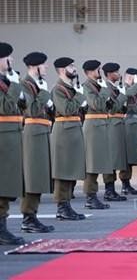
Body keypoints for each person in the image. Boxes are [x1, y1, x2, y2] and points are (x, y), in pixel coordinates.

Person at [20, 51, 55, 233]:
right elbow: (32, 110)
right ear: (35, 66)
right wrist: (43, 93)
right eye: (44, 64)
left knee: (39, 175)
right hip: (32, 133)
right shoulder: (25, 85)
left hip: (41, 132)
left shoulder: (36, 84)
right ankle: (28, 217)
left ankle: (32, 214)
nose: (46, 67)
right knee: (33, 176)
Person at [50, 57, 87, 220]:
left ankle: (66, 205)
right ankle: (61, 206)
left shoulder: (69, 87)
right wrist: (79, 97)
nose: (74, 68)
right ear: (62, 70)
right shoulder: (58, 89)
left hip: (72, 130)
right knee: (63, 170)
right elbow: (66, 109)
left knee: (69, 169)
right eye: (71, 66)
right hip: (64, 131)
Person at [0, 42, 26, 245]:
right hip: (3, 136)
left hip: (9, 135)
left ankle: (3, 227)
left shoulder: (4, 80)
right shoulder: (6, 82)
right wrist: (15, 85)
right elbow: (7, 107)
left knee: (6, 182)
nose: (12, 61)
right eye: (9, 58)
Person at [101, 62, 137, 201]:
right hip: (111, 124)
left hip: (120, 124)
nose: (119, 74)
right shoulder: (105, 88)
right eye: (116, 72)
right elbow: (113, 107)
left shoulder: (117, 87)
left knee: (122, 157)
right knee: (111, 158)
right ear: (109, 74)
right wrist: (133, 86)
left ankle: (124, 184)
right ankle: (109, 189)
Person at [81, 60, 111, 210]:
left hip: (100, 126)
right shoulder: (87, 86)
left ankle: (92, 196)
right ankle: (90, 197)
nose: (100, 71)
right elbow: (96, 104)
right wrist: (105, 90)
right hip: (93, 127)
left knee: (97, 162)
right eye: (98, 69)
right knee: (92, 164)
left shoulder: (96, 85)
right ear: (91, 71)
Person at [120, 68, 137, 195]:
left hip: (133, 125)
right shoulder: (124, 88)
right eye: (134, 77)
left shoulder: (133, 91)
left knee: (132, 157)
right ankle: (125, 184)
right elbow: (127, 94)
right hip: (126, 126)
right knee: (126, 156)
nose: (136, 80)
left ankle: (127, 184)